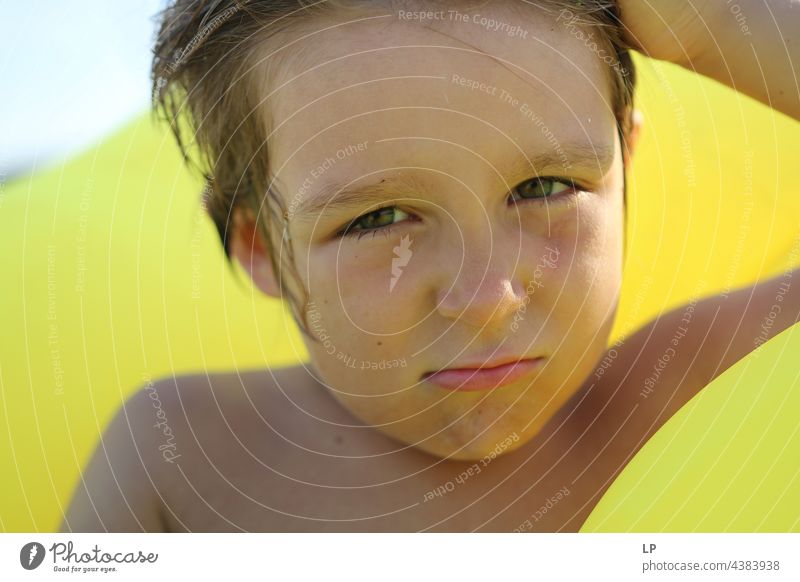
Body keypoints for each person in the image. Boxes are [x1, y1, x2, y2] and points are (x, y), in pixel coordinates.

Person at [62, 0, 799, 532]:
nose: (487, 297)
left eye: (544, 188)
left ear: (624, 171)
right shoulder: (181, 459)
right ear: (261, 247)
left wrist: (720, 25)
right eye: (377, 219)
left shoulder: (699, 387)